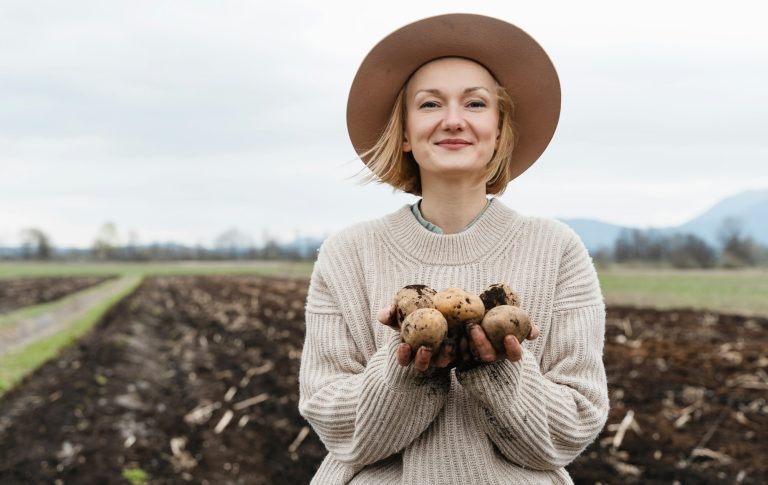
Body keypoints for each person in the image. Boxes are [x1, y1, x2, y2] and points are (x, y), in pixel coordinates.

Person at [299, 13, 609, 484]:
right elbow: (332, 420)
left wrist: (497, 372)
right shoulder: (347, 255)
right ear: (403, 133)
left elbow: (574, 425)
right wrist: (403, 373)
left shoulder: (557, 249)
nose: (453, 120)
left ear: (501, 130)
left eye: (476, 103)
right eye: (429, 105)